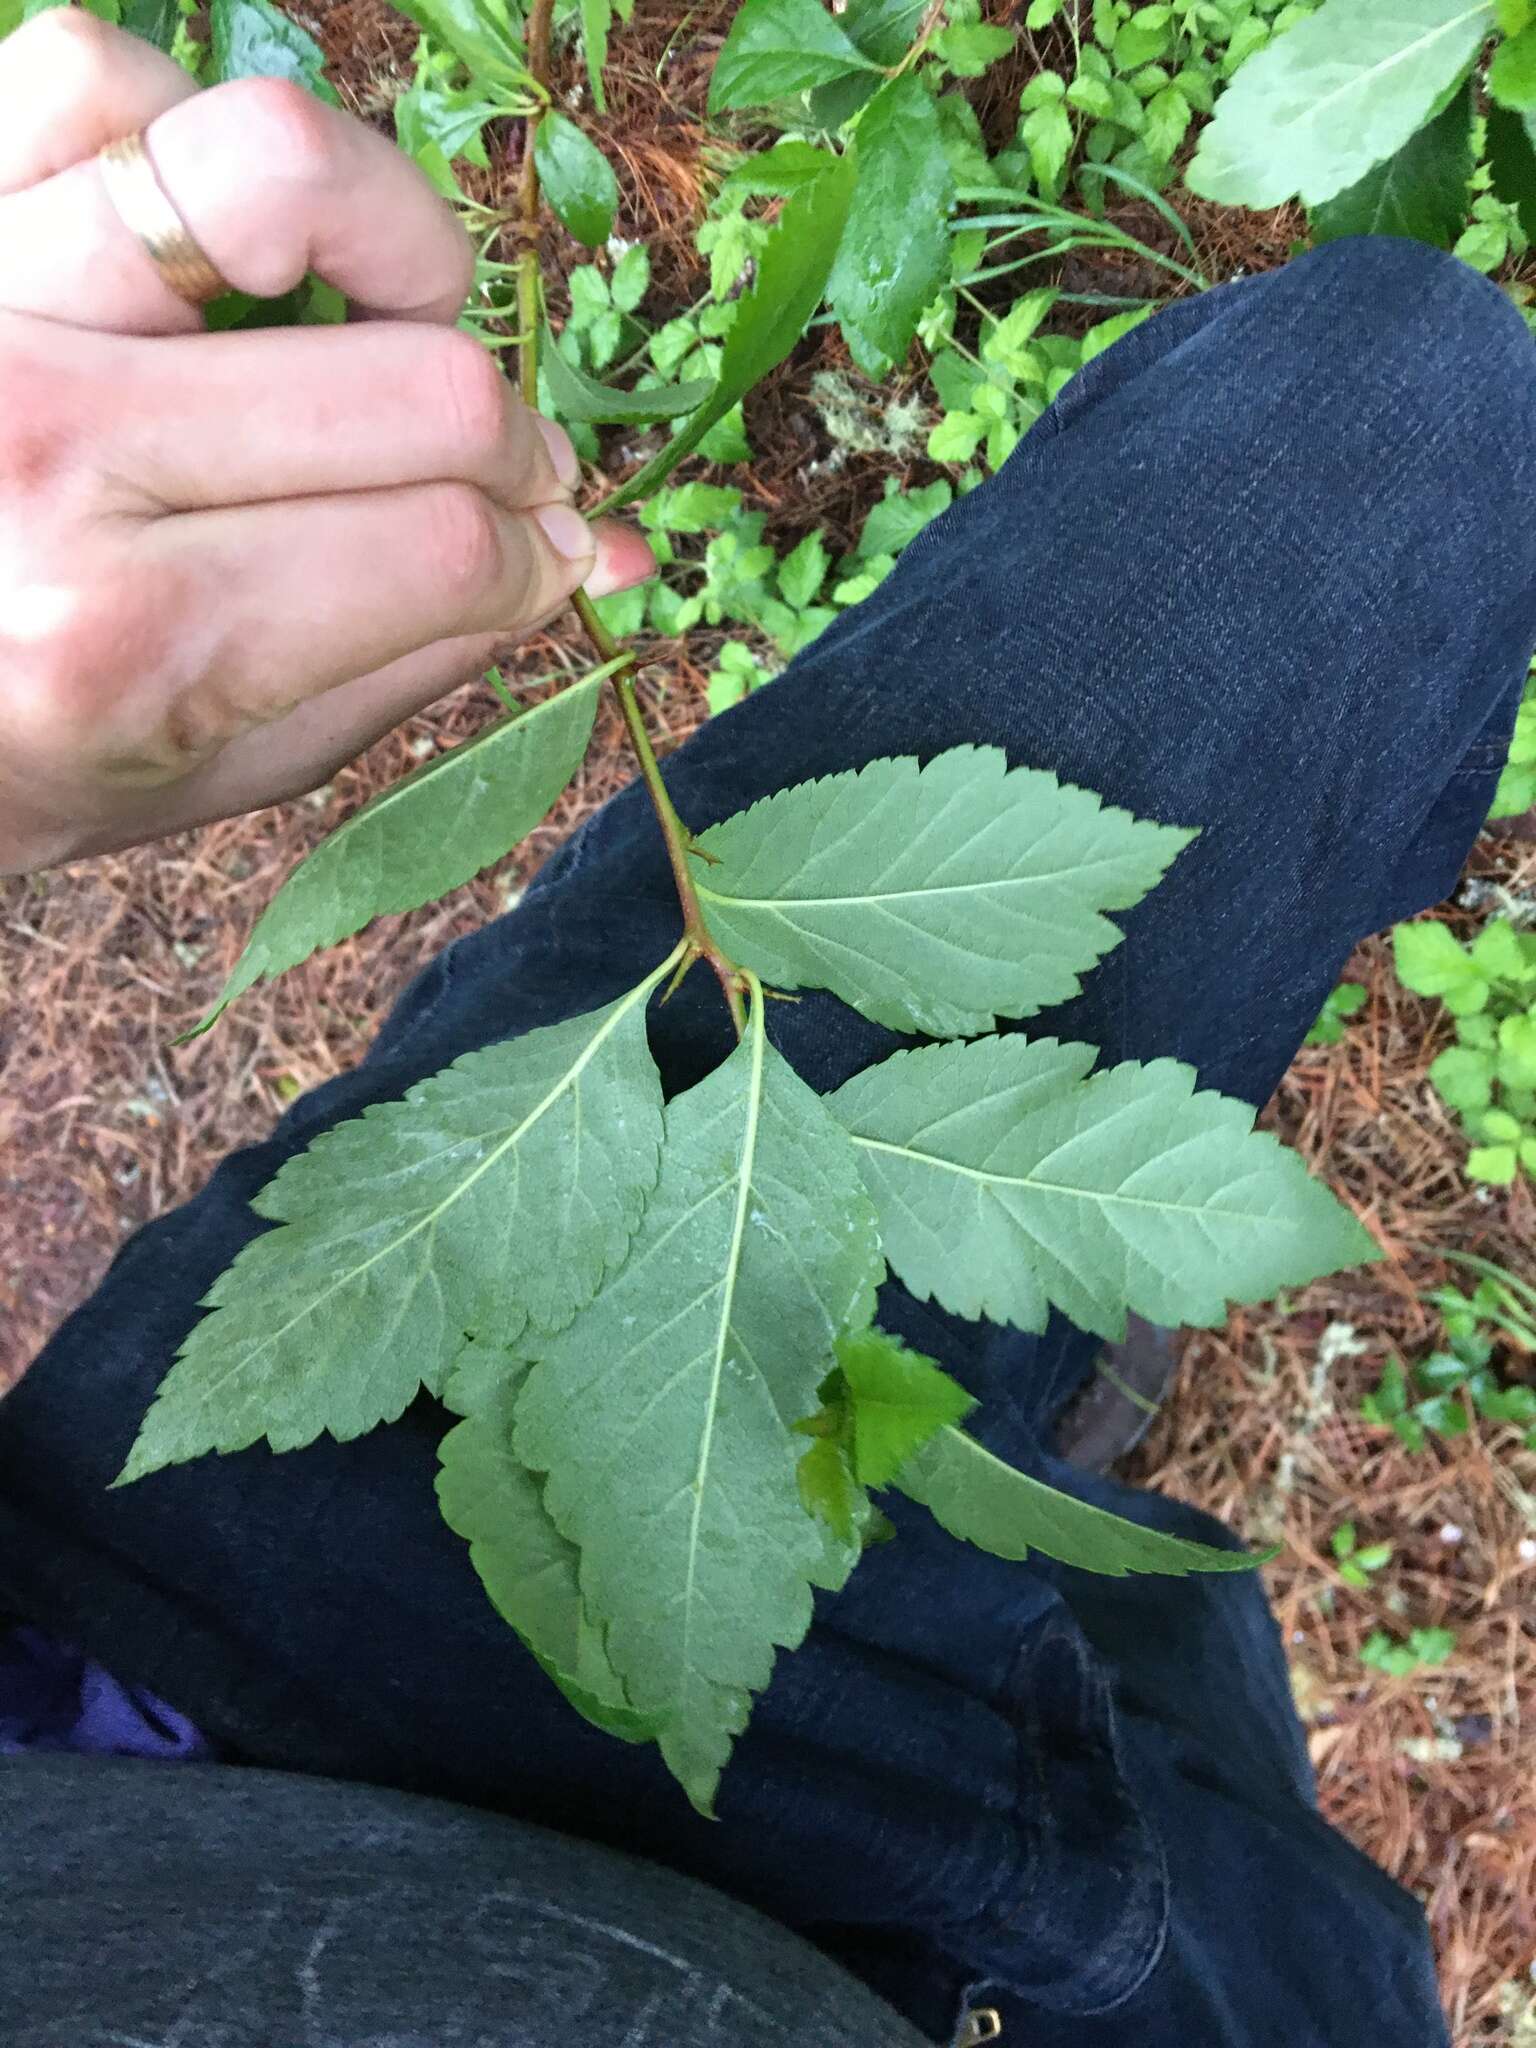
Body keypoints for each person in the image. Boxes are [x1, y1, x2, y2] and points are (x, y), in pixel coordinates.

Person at [2, 15, 1533, 2046]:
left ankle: (998, 1386)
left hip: (188, 1667)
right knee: (1237, 1859)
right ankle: (1022, 1432)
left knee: (1394, 413)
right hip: (857, 1940)